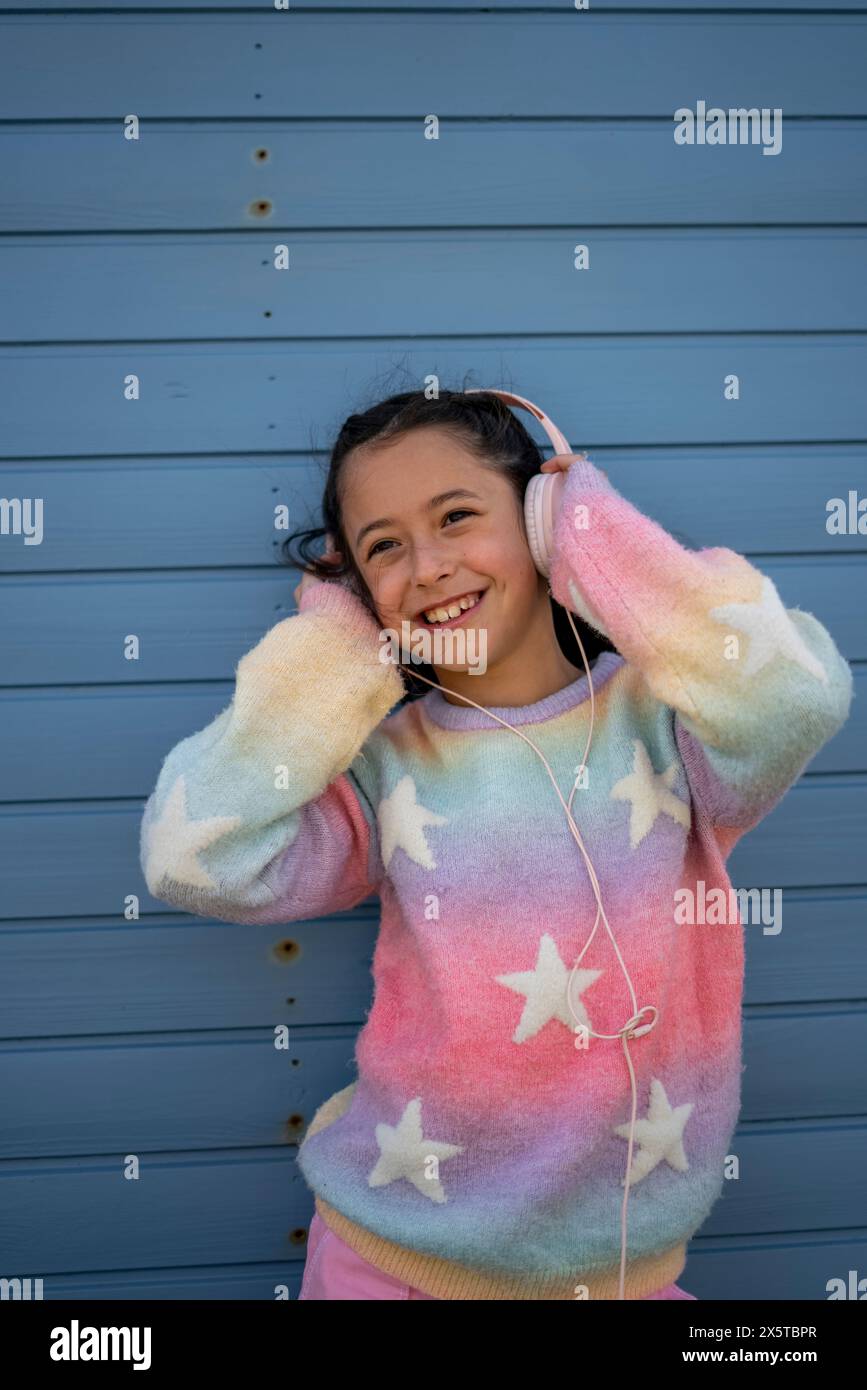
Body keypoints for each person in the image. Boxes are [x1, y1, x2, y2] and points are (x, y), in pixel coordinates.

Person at [139, 386, 852, 1300]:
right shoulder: (385, 770)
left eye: (457, 517)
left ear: (543, 523)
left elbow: (795, 698)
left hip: (620, 1269)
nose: (428, 565)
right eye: (383, 547)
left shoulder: (671, 730)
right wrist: (335, 651)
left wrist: (595, 538)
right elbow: (194, 858)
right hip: (391, 1261)